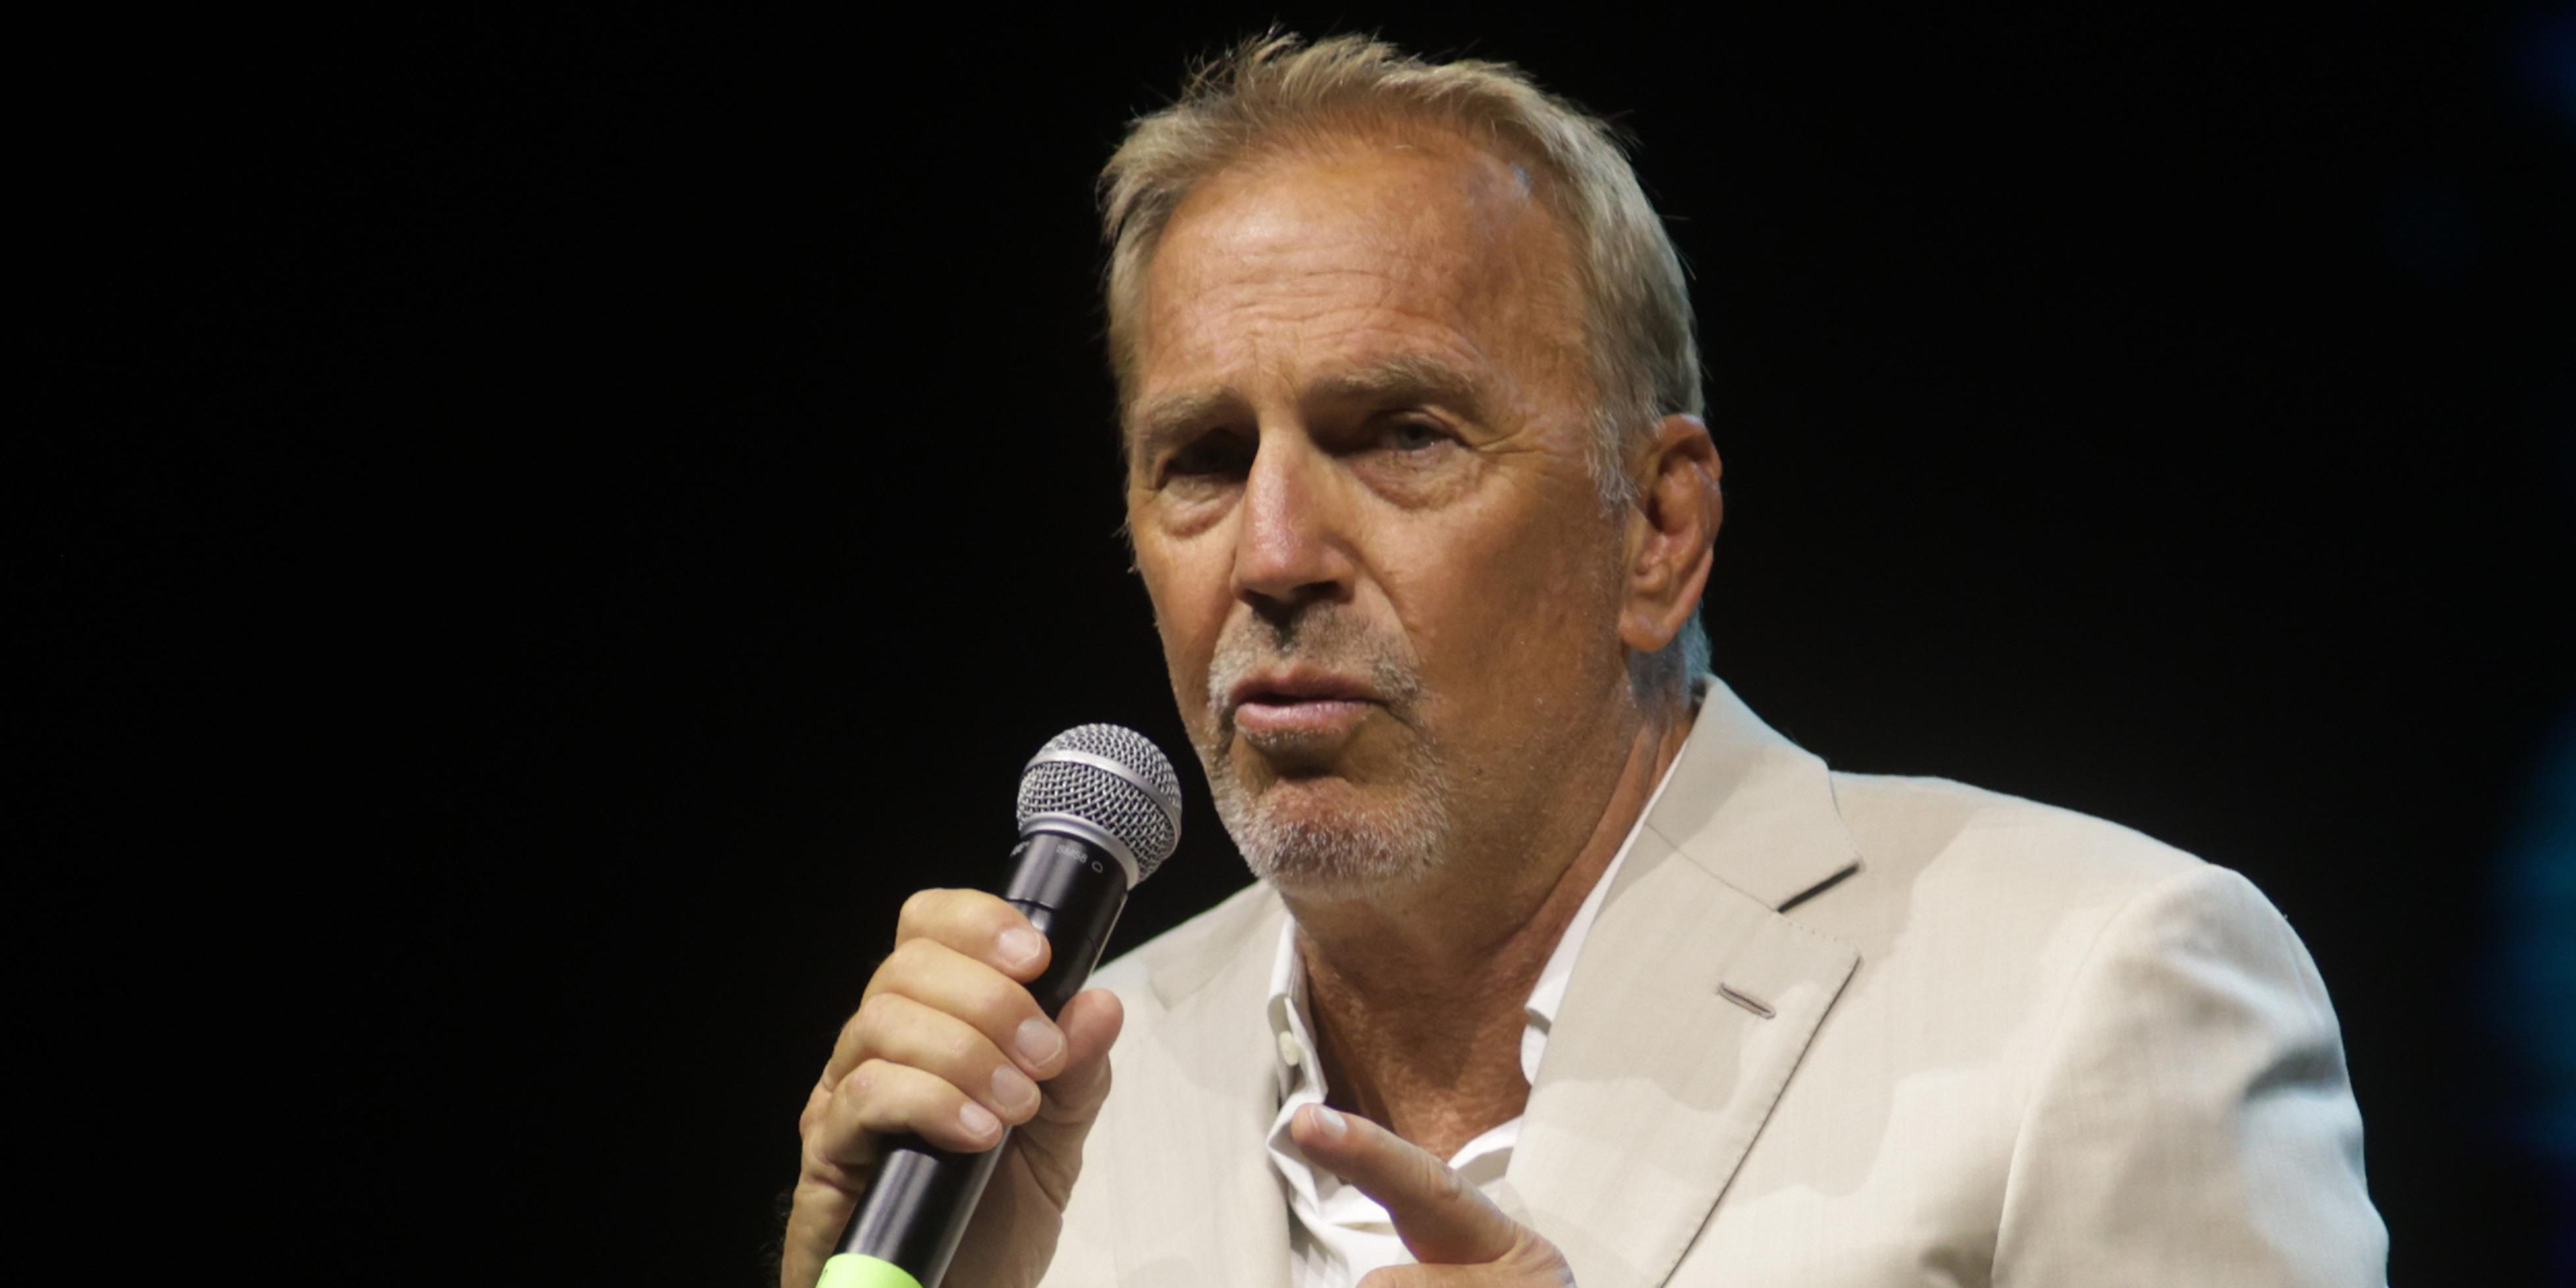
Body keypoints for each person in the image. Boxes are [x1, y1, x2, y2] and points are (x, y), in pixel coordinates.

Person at [783, 33, 2387, 1288]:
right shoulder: (1044, 1115)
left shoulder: (2096, 988)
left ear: (1658, 530)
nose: (1271, 555)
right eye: (1202, 459)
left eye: (1401, 435)